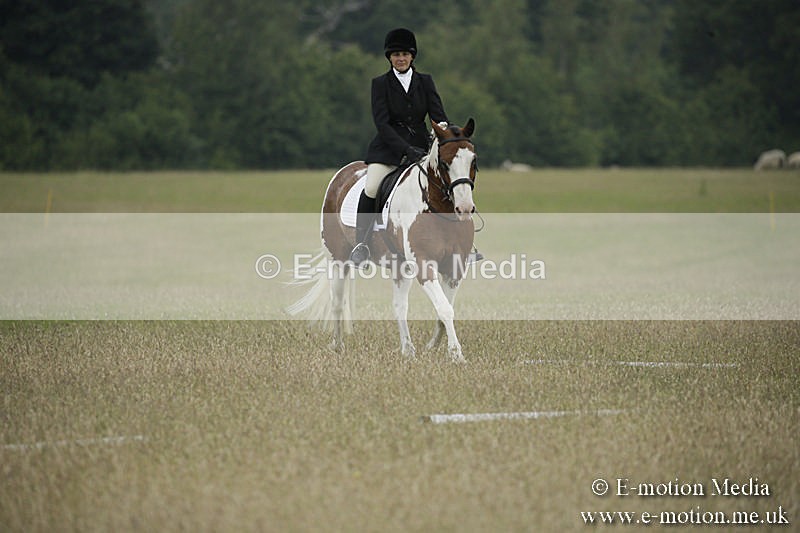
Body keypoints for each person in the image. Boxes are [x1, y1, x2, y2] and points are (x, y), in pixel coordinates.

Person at [349, 28, 449, 266]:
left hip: (422, 148)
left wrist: (446, 132)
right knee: (372, 187)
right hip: (388, 149)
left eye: (404, 53)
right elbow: (382, 124)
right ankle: (361, 244)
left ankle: (459, 242)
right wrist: (405, 150)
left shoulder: (425, 82)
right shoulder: (380, 84)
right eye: (395, 54)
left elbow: (438, 115)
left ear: (412, 56)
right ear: (389, 57)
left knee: (448, 184)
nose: (400, 58)